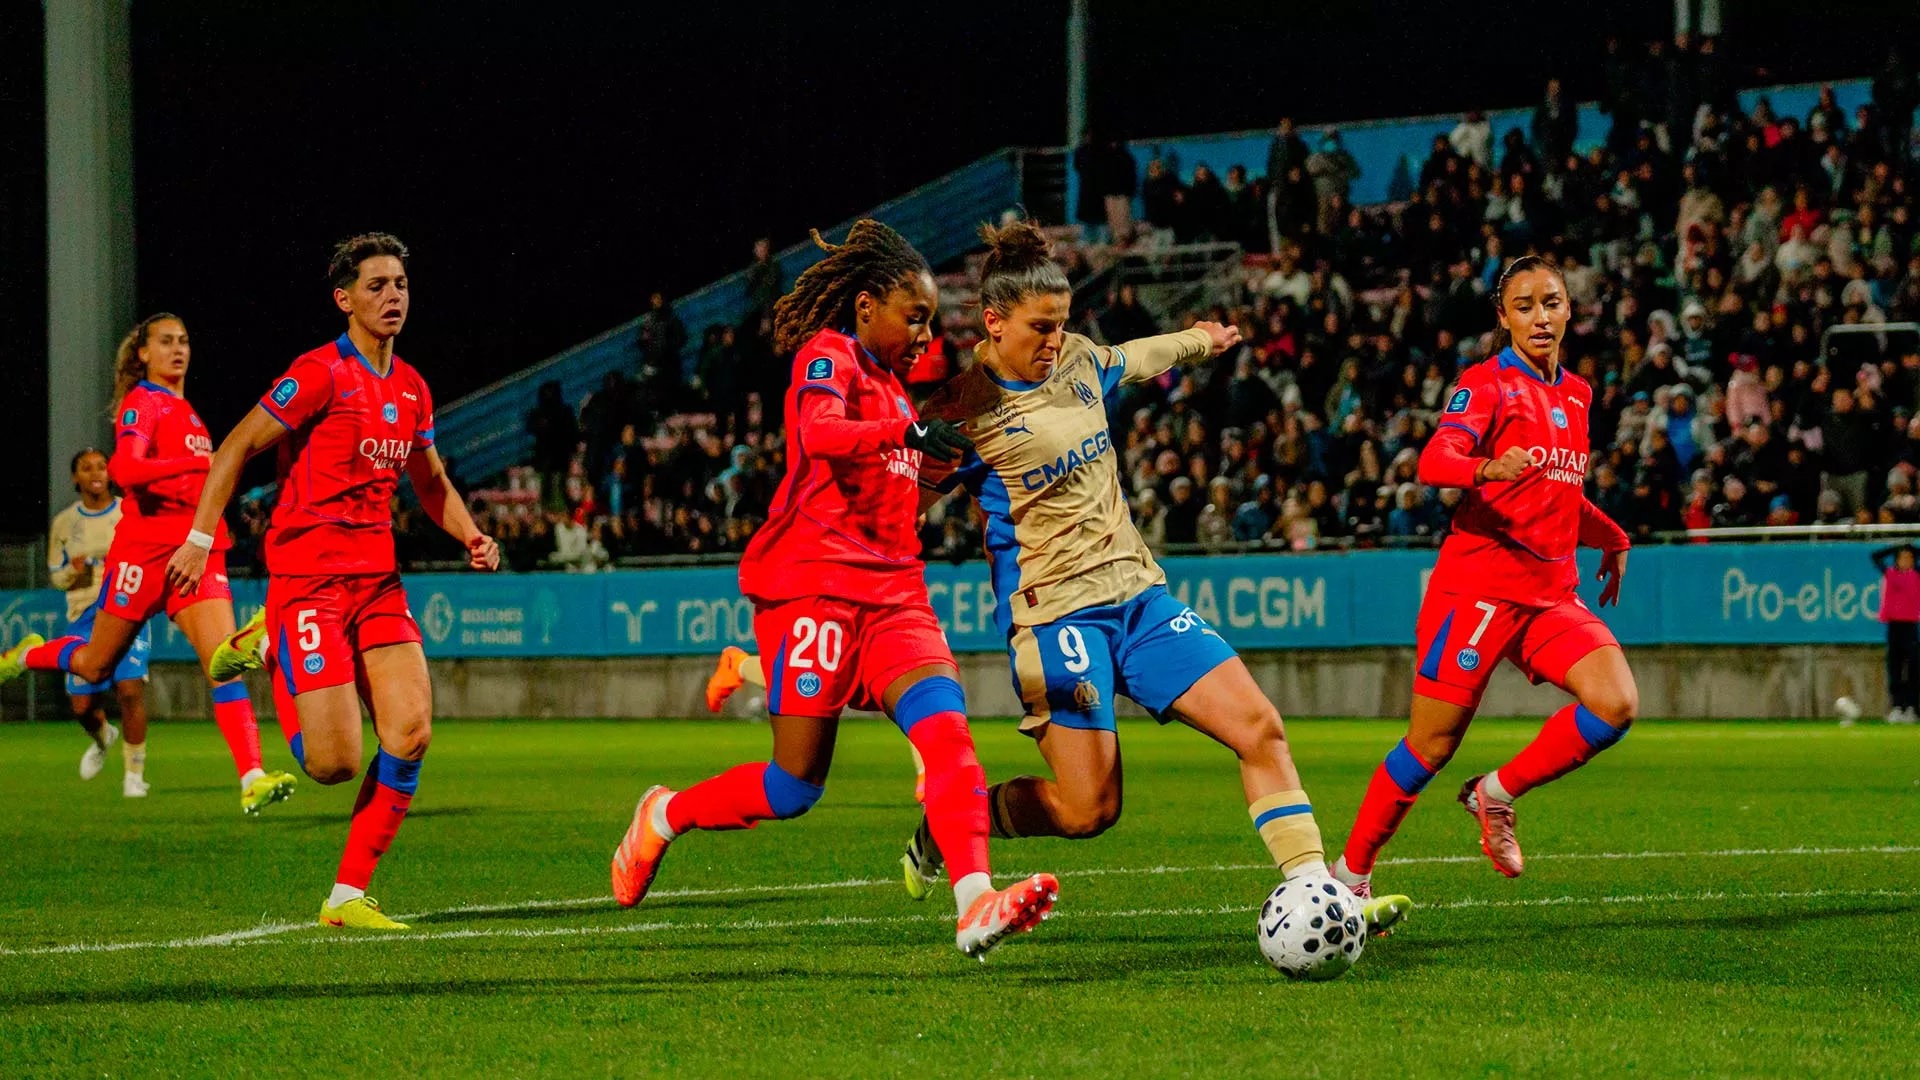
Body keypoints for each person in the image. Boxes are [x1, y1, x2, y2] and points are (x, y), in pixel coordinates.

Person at [895, 221, 1403, 934]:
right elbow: (897, 511)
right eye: (1041, 327)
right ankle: (951, 824)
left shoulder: (1077, 360)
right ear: (993, 321)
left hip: (1139, 600)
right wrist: (905, 460)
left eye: (1062, 324)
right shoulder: (961, 411)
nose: (1055, 340)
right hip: (1056, 618)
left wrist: (1200, 339)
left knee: (1260, 728)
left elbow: (1137, 356)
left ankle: (1319, 894)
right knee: (1089, 810)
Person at [608, 220, 1060, 960]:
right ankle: (664, 814)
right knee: (793, 786)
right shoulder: (831, 356)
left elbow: (905, 489)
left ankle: (975, 901)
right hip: (813, 590)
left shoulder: (900, 397)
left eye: (930, 321)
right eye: (913, 317)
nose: (924, 335)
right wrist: (907, 438)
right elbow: (819, 433)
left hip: (896, 598)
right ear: (865, 308)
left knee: (948, 738)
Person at [167, 233, 500, 931]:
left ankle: (347, 896)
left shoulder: (411, 387)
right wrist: (199, 540)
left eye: (400, 284)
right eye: (376, 286)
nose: (393, 297)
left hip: (377, 582)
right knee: (333, 763)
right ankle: (269, 643)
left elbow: (429, 480)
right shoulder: (319, 373)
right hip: (308, 580)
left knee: (411, 730)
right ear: (344, 299)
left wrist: (470, 533)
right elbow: (235, 446)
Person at [1333, 255, 1638, 898]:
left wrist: (1612, 537)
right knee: (1429, 748)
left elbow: (1562, 493)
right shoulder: (1487, 383)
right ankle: (1349, 877)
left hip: (1550, 595)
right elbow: (1435, 458)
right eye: (1525, 306)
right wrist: (1486, 468)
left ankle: (1495, 792)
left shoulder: (1578, 394)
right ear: (1504, 317)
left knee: (1615, 705)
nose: (1541, 317)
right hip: (1477, 592)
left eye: (1551, 302)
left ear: (1569, 309)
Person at [0, 315, 295, 813]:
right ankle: (28, 654)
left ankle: (252, 778)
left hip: (196, 549)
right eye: (166, 342)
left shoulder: (189, 413)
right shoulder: (144, 401)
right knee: (95, 663)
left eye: (184, 341)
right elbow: (125, 468)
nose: (178, 349)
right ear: (143, 353)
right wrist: (197, 464)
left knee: (222, 662)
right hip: (143, 552)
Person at [46, 448, 153, 793]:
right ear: (75, 477)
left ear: (110, 473)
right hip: (83, 616)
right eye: (86, 468)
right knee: (82, 706)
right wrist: (71, 572)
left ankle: (134, 776)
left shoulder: (128, 511)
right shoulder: (64, 523)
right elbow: (56, 576)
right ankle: (103, 736)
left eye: (101, 467)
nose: (95, 473)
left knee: (129, 690)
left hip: (126, 608)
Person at [1872, 544, 1920, 725]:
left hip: (1911, 626)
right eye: (1902, 558)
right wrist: (1895, 547)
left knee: (1913, 668)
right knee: (1895, 669)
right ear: (1897, 560)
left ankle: (1912, 707)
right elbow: (1875, 556)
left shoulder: (1916, 574)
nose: (1906, 561)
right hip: (1894, 626)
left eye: (1909, 558)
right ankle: (1898, 707)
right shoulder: (1890, 574)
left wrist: (1911, 548)